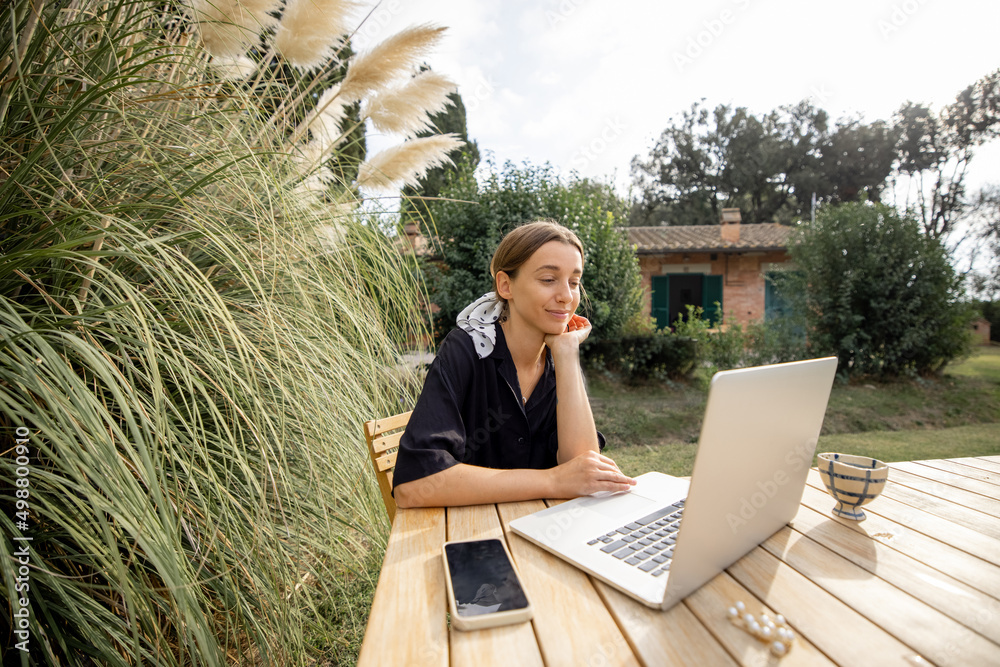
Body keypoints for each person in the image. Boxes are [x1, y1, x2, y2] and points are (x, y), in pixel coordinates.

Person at [392, 220, 636, 508]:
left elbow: (584, 471)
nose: (567, 297)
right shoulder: (466, 350)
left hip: (543, 533)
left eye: (574, 282)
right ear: (506, 285)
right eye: (548, 279)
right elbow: (414, 485)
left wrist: (568, 353)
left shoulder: (560, 360)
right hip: (469, 537)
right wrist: (553, 481)